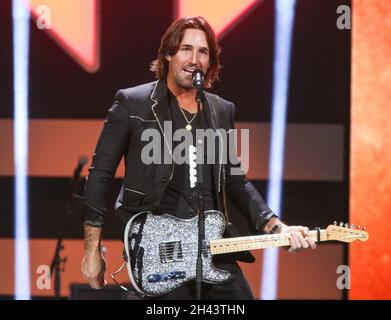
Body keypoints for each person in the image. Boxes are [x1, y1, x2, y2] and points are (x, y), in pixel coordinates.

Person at [81, 16, 316, 300]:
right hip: (160, 251)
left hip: (212, 249)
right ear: (168, 54)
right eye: (186, 49)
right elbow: (100, 174)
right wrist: (92, 250)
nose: (195, 59)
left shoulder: (220, 111)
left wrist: (276, 226)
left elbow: (235, 181)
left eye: (203, 52)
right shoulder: (133, 103)